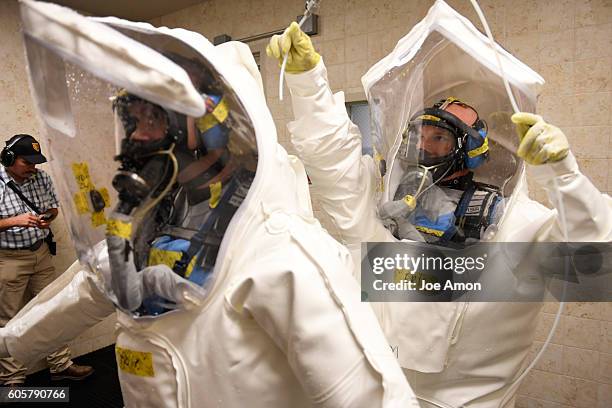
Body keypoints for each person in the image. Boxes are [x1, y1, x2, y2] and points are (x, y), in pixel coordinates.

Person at [0, 2, 417, 406]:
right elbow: (89, 288)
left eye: (154, 120)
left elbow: (369, 395)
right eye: (131, 121)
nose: (137, 140)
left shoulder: (277, 255)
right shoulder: (145, 232)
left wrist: (309, 87)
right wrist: (9, 343)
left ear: (213, 126)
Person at [267, 21, 612, 407]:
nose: (424, 148)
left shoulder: (516, 227)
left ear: (469, 150)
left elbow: (596, 256)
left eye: (440, 137)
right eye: (418, 136)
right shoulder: (386, 217)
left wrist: (564, 176)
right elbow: (335, 168)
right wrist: (308, 84)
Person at [0, 134, 94, 386]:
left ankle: (61, 365)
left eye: (35, 162)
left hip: (40, 253)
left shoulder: (41, 178)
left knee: (52, 309)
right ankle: (12, 379)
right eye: (27, 162)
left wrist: (47, 217)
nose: (33, 167)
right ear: (9, 158)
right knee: (9, 318)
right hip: (9, 259)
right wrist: (14, 221)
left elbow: (53, 207)